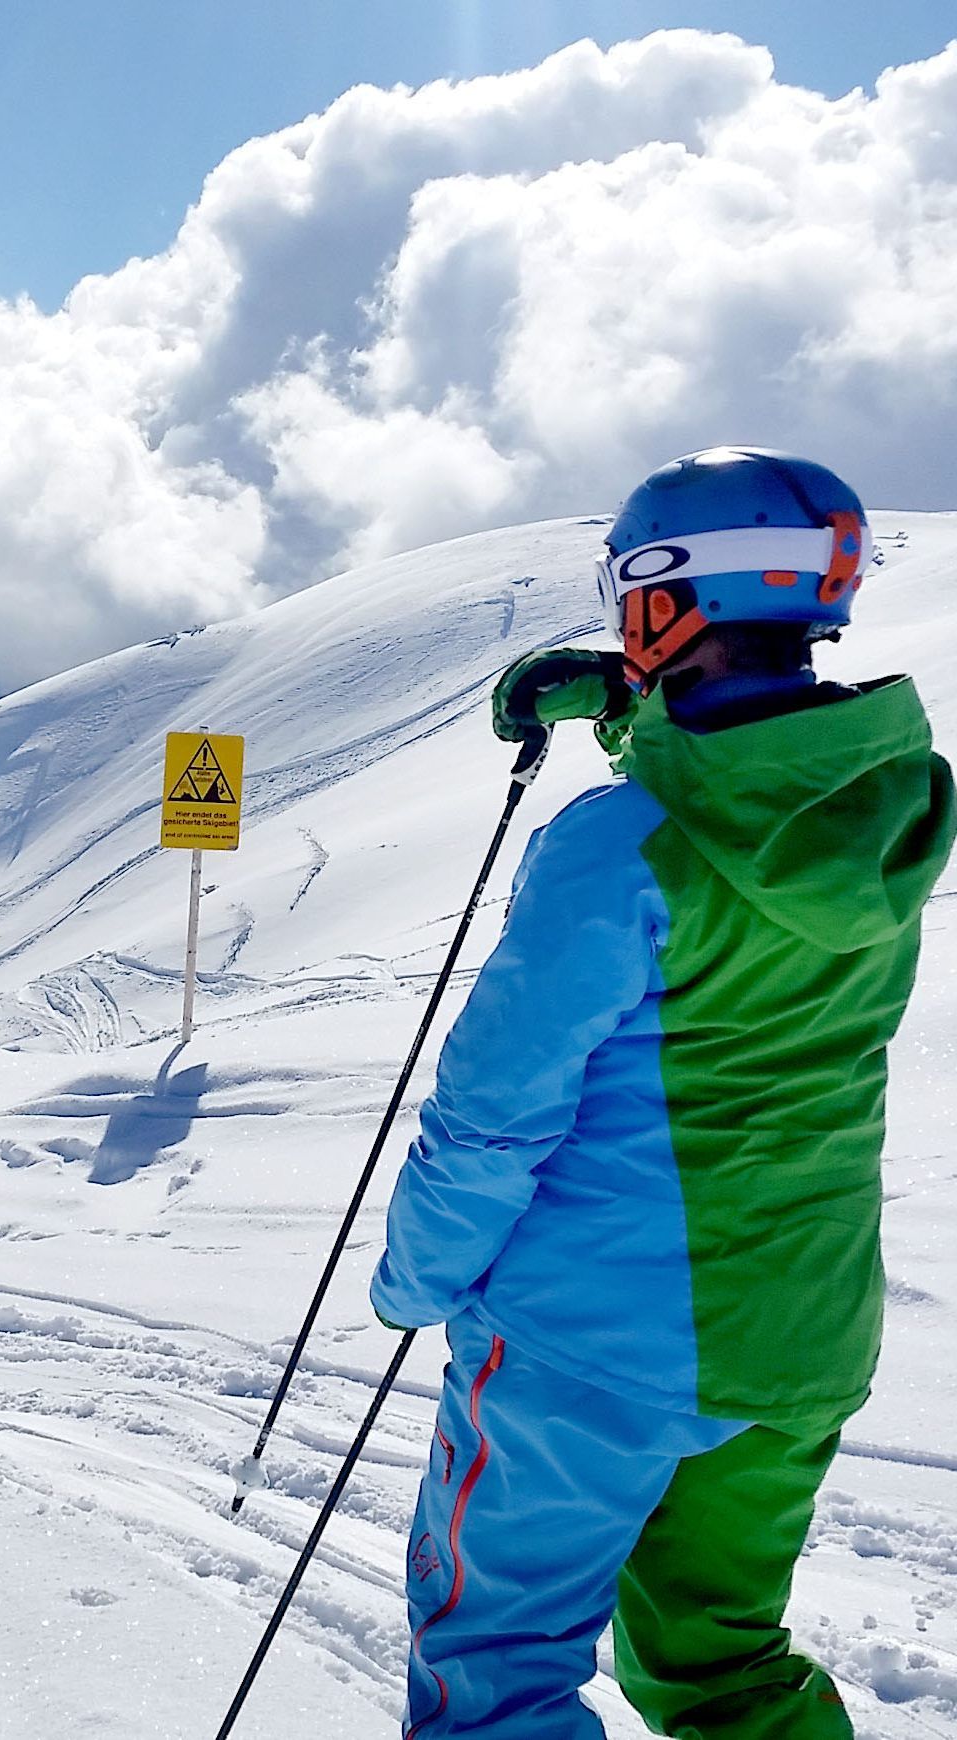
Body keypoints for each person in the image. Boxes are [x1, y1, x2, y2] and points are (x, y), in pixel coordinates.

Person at [369, 447, 954, 1737]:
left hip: (594, 1344)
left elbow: (495, 1113)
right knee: (717, 1666)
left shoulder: (614, 848)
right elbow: (747, 797)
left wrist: (417, 1275)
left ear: (664, 602)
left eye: (631, 607)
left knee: (498, 1669)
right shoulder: (877, 813)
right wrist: (635, 708)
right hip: (799, 1335)